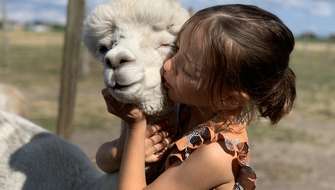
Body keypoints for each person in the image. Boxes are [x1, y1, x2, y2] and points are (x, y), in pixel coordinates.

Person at [99, 4, 296, 190]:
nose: (168, 66)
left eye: (185, 69)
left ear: (228, 98)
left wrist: (136, 127)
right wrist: (126, 150)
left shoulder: (216, 154)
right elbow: (103, 161)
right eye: (176, 50)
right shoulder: (182, 107)